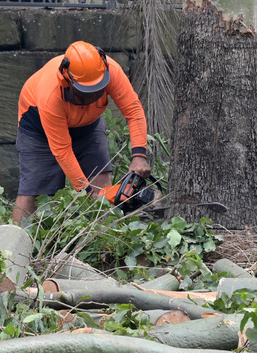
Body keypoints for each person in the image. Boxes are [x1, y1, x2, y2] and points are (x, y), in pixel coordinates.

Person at [12, 41, 152, 224]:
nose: (92, 96)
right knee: (33, 192)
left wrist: (139, 155)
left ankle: (104, 241)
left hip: (88, 126)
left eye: (98, 89)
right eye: (85, 92)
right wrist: (86, 191)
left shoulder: (111, 70)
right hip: (39, 131)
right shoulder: (50, 95)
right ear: (67, 79)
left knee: (101, 179)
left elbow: (133, 109)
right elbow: (62, 150)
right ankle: (14, 243)